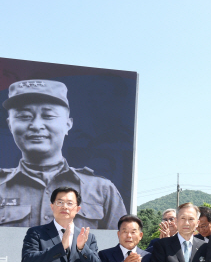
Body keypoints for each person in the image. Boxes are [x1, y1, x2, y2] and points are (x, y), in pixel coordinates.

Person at [1, 80, 126, 228]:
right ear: (10, 125)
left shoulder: (102, 190)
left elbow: (119, 248)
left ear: (68, 124)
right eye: (24, 116)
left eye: (48, 116)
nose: (36, 126)